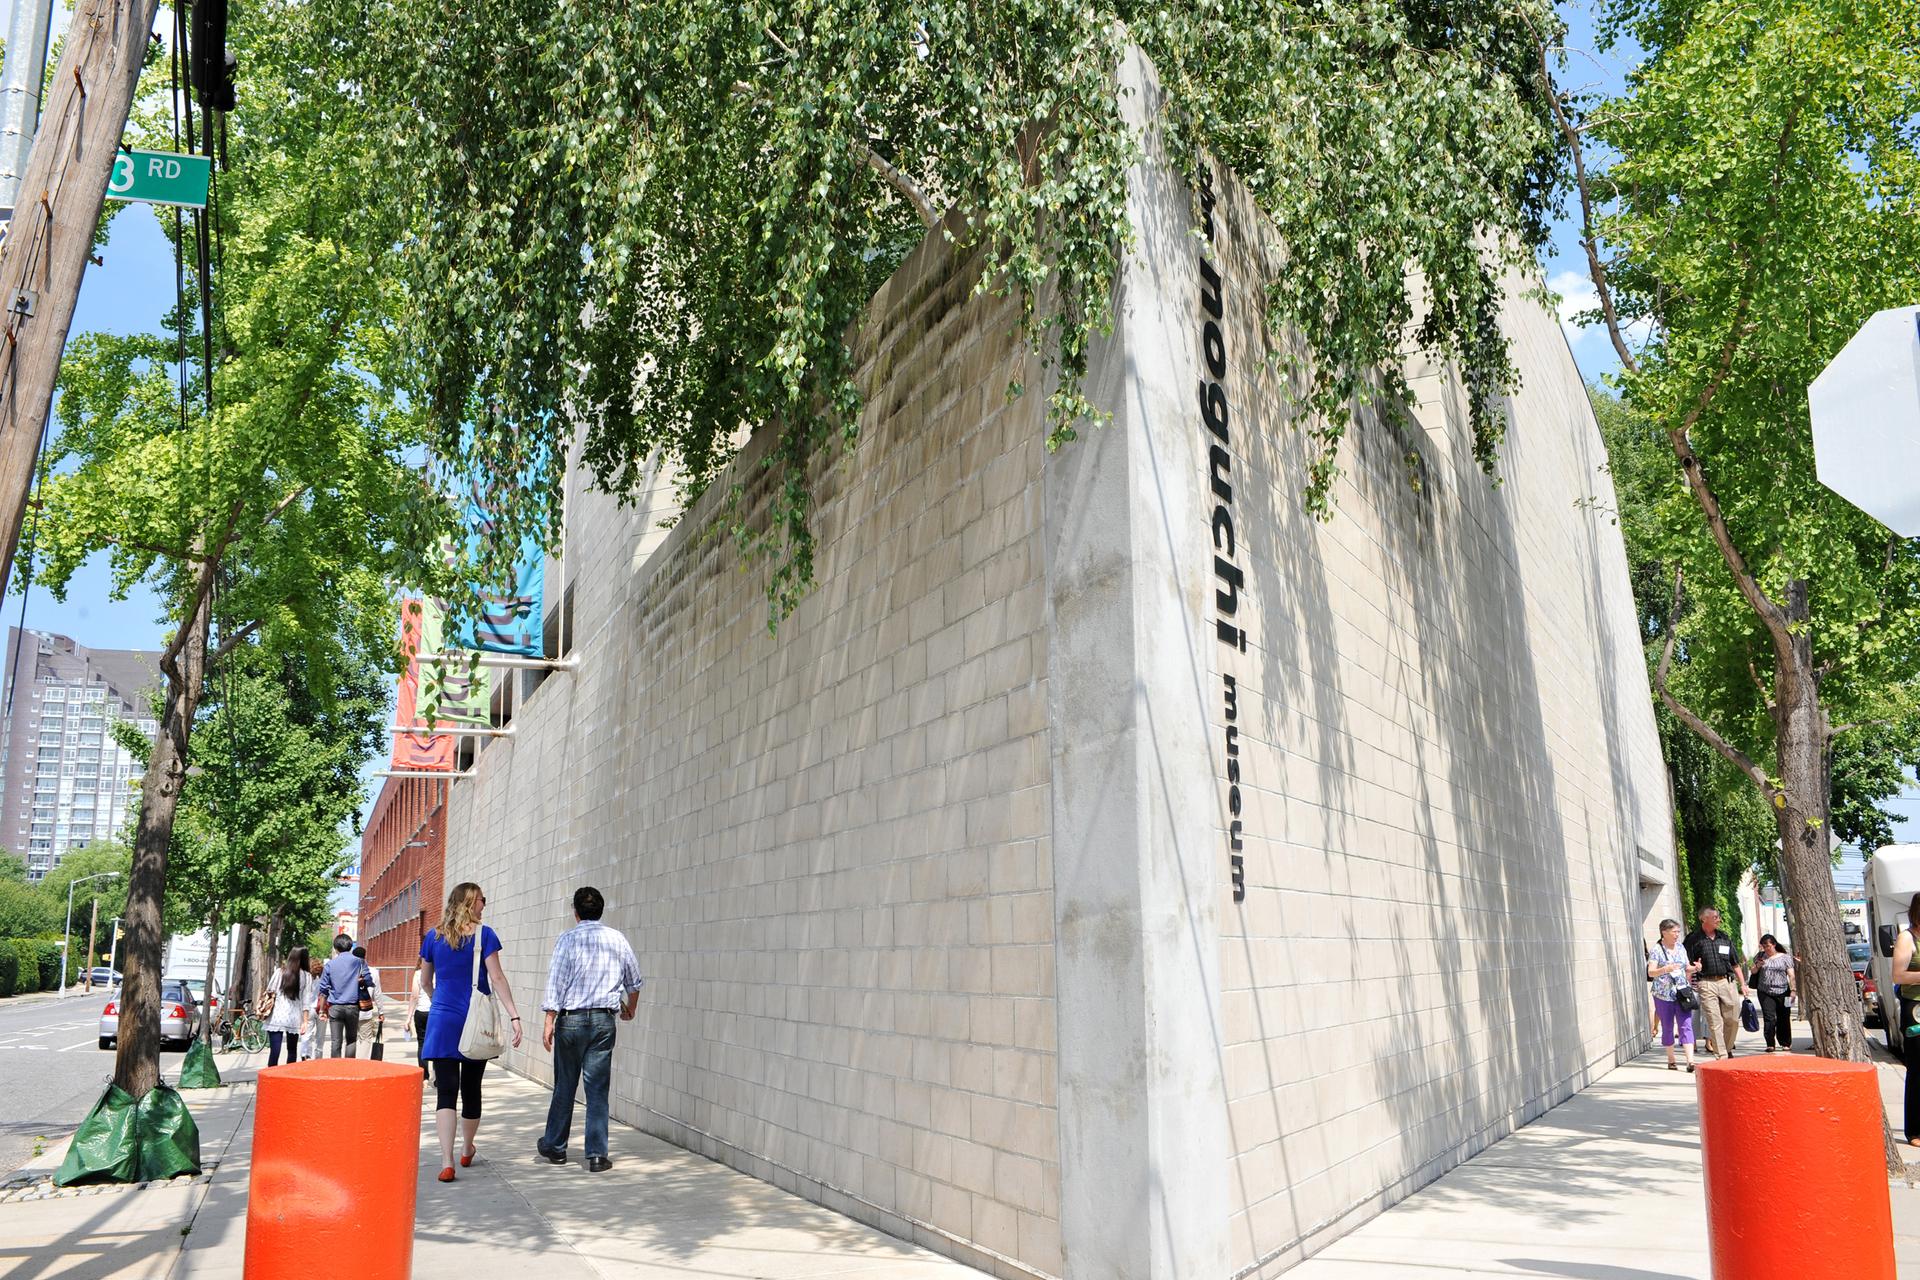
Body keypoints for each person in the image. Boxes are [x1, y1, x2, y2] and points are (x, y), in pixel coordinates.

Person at [420, 882, 524, 1182]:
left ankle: (446, 1160)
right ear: (470, 902)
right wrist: (514, 1015)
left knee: (446, 1092)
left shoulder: (433, 936)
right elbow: (498, 977)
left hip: (442, 1020)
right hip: (474, 1020)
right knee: (472, 1087)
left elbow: (426, 981)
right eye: (482, 900)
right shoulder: (485, 934)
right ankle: (467, 1148)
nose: (484, 905)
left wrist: (440, 998)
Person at [536, 886, 644, 1172]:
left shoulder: (567, 939)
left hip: (570, 1021)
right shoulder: (616, 939)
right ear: (601, 910)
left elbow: (556, 982)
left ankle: (556, 1147)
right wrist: (631, 1008)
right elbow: (635, 980)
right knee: (597, 1089)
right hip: (602, 1022)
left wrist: (549, 1019)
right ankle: (596, 1155)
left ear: (575, 912)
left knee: (565, 1085)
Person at [1684, 907, 1747, 1059]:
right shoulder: (1693, 939)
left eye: (1718, 917)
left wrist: (1743, 984)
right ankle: (1722, 1055)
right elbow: (1685, 964)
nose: (1719, 920)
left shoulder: (1724, 937)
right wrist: (1689, 979)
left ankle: (1727, 1046)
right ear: (1704, 919)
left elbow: (1735, 963)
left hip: (1727, 981)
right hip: (1706, 983)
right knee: (1714, 1020)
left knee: (1732, 1019)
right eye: (1715, 917)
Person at [1889, 893, 1920, 1148]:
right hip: (1917, 1010)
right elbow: (1898, 975)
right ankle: (1915, 1130)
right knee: (1918, 1071)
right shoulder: (1907, 937)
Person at [1647, 920, 1698, 1073]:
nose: (1677, 935)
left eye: (1678, 932)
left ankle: (1690, 1061)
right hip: (1663, 995)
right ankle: (1671, 1059)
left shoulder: (1681, 947)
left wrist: (1695, 968)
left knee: (1686, 1025)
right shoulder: (1656, 949)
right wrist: (1665, 969)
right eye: (1674, 931)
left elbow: (1686, 967)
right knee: (1668, 1026)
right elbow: (1651, 972)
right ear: (1664, 932)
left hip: (1682, 993)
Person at [316, 934, 372, 1058]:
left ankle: (336, 1070)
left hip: (335, 1007)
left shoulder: (330, 965)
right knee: (351, 1040)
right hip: (353, 1006)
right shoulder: (360, 962)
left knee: (336, 1041)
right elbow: (368, 981)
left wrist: (321, 1010)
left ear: (336, 948)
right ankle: (349, 1069)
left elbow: (323, 990)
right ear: (351, 946)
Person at [262, 947, 313, 1067]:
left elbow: (270, 990)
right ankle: (288, 1077)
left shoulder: (280, 972)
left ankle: (271, 1077)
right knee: (292, 1050)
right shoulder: (306, 976)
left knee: (274, 1051)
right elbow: (306, 1001)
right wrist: (305, 1021)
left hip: (277, 1016)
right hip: (294, 1018)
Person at [1750, 934, 1795, 1053]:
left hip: (1783, 991)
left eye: (1768, 946)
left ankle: (1785, 1042)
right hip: (1765, 992)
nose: (1766, 948)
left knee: (1784, 1017)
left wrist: (1793, 991)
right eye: (1764, 946)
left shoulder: (1785, 957)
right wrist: (1758, 966)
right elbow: (1753, 970)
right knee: (1769, 1018)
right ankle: (1770, 1043)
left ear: (1774, 944)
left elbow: (1791, 974)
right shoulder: (1760, 956)